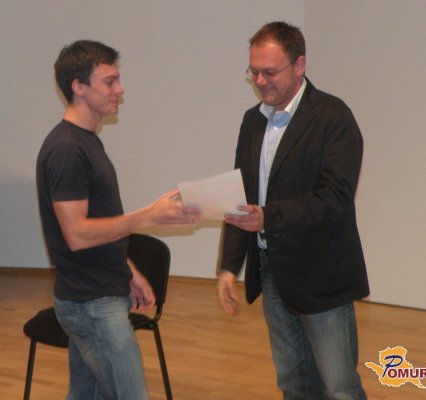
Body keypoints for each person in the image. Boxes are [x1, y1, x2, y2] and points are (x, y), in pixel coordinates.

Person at [36, 40, 200, 400]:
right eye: (109, 81)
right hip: (91, 304)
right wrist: (149, 215)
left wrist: (127, 270)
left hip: (98, 295)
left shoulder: (87, 142)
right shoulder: (66, 150)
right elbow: (77, 234)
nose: (120, 90)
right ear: (79, 87)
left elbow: (98, 223)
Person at [217, 22, 369, 399]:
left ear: (299, 65)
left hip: (322, 274)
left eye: (269, 72)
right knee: (293, 383)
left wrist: (268, 217)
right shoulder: (253, 121)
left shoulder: (333, 117)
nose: (260, 81)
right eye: (254, 72)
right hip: (272, 270)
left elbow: (335, 197)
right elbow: (241, 196)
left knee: (339, 387)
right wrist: (228, 267)